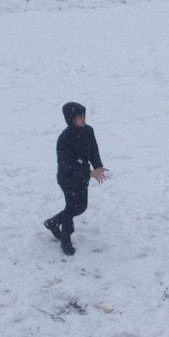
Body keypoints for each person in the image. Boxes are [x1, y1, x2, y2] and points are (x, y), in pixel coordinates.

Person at [44, 102, 107, 255]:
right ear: (71, 119)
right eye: (79, 117)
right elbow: (68, 165)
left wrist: (98, 166)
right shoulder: (64, 139)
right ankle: (65, 240)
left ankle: (53, 222)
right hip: (67, 179)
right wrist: (90, 173)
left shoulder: (89, 131)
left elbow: (93, 151)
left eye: (83, 115)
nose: (82, 119)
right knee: (71, 207)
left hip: (82, 178)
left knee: (81, 206)